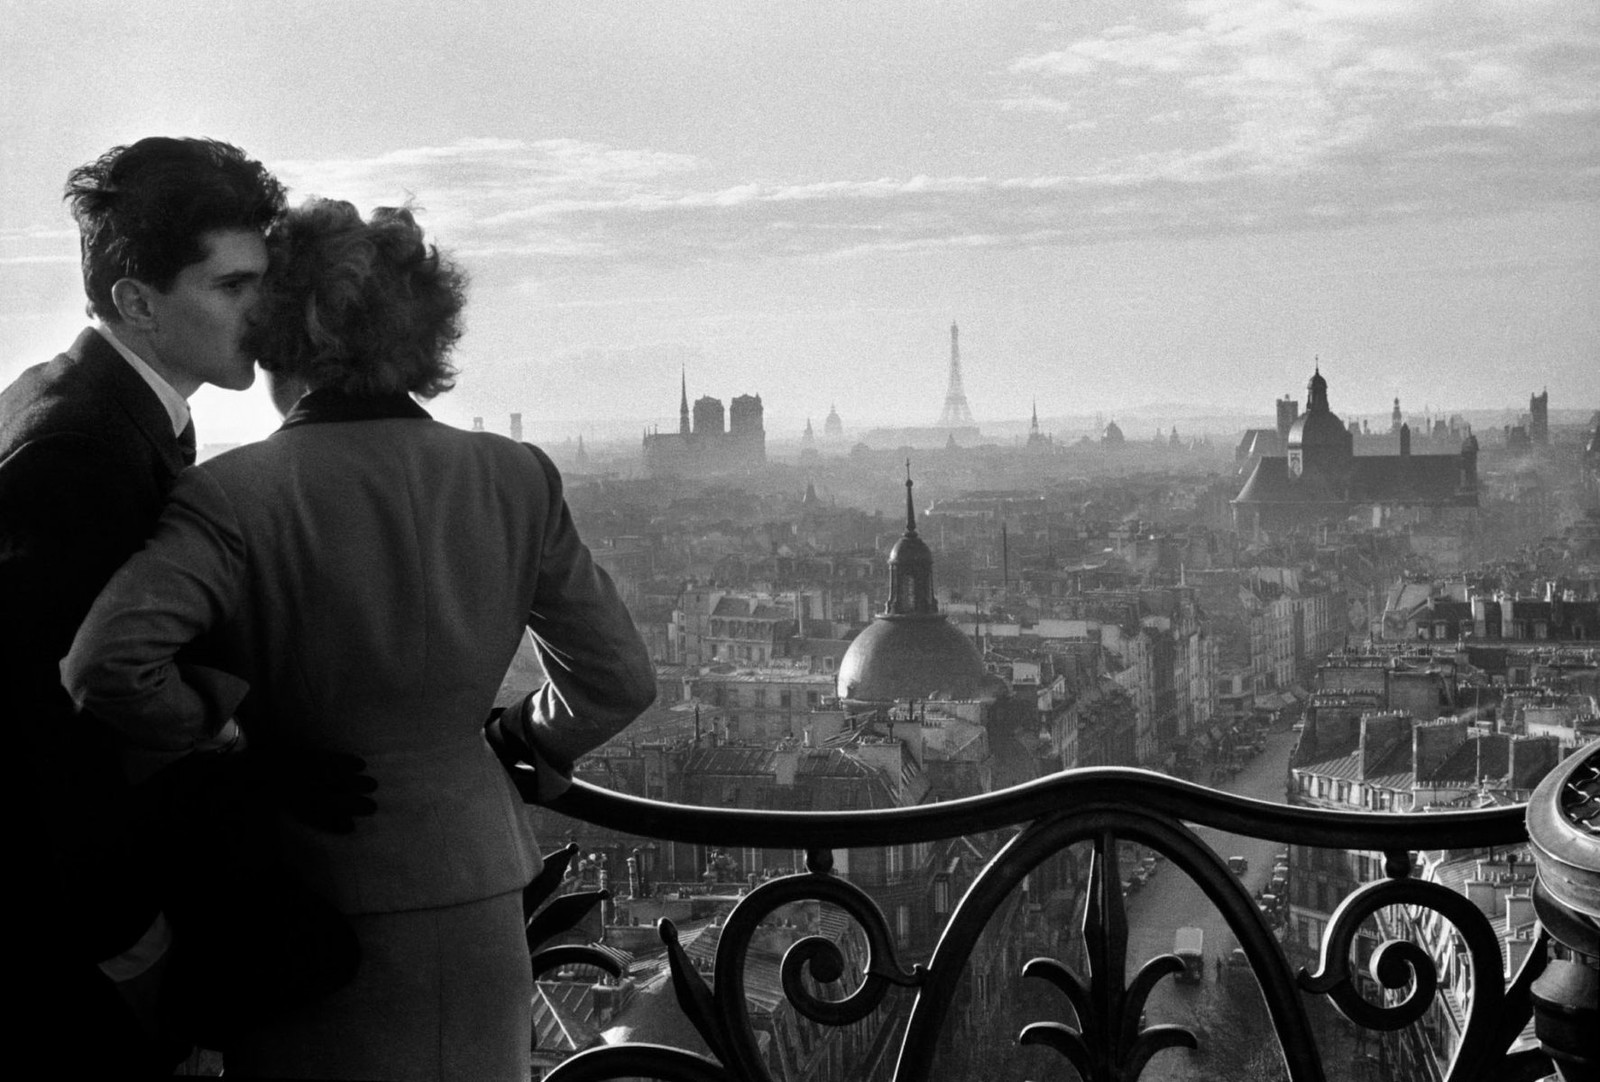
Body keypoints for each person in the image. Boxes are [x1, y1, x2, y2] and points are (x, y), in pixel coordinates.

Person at [64, 197, 657, 1080]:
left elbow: (105, 664)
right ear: (427, 329)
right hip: (482, 888)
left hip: (312, 899)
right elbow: (617, 679)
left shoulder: (238, 493)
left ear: (279, 332)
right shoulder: (512, 475)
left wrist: (226, 731)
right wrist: (518, 737)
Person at [0, 136, 287, 1075]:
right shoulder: (77, 448)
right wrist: (138, 948)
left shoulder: (96, 400)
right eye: (233, 287)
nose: (263, 311)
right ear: (136, 301)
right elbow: (53, 732)